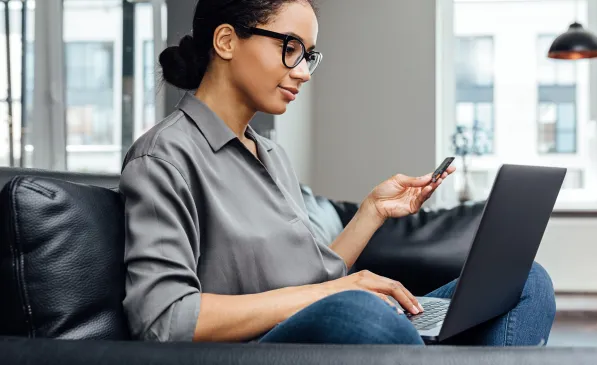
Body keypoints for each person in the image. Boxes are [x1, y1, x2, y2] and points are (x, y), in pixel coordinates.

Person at [120, 0, 555, 346]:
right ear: (227, 41)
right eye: (289, 48)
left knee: (526, 282)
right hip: (257, 347)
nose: (304, 72)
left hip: (318, 325)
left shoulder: (270, 152)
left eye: (308, 55)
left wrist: (372, 212)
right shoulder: (163, 158)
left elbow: (314, 280)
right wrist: (333, 295)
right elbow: (165, 318)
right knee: (360, 311)